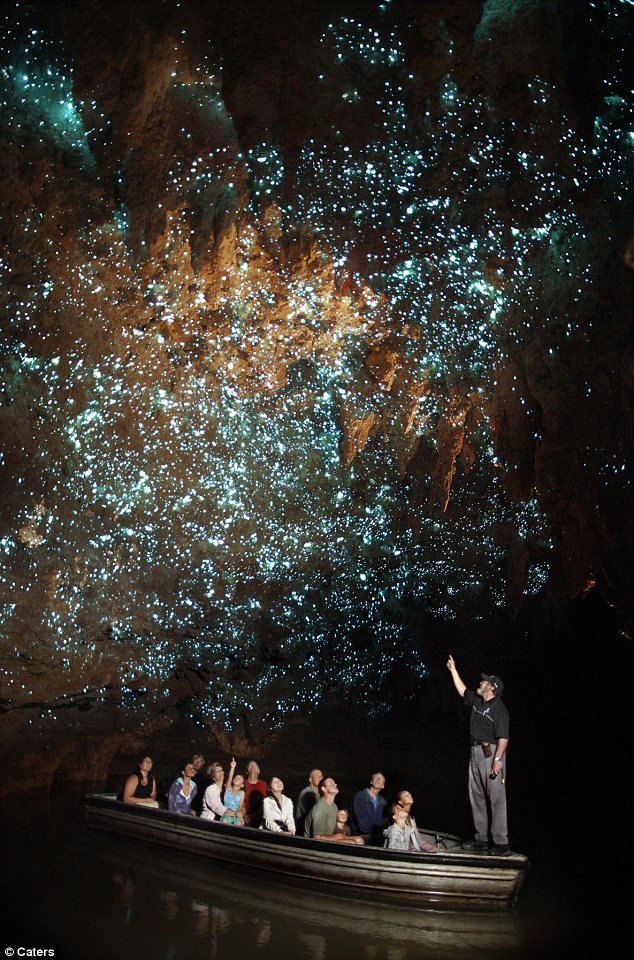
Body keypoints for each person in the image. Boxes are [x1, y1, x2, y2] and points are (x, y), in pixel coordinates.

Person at [447, 654, 510, 856]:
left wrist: (498, 760)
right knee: (477, 797)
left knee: (496, 799)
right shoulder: (477, 701)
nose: (481, 681)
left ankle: (501, 843)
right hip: (475, 752)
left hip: (491, 754)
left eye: (485, 681)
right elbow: (462, 690)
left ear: (491, 688)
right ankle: (481, 840)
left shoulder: (499, 709)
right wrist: (453, 670)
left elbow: (503, 738)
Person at [304, 777, 364, 844]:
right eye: (331, 783)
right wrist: (339, 836)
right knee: (352, 842)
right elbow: (317, 838)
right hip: (313, 843)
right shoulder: (320, 808)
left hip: (327, 838)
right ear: (324, 789)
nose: (335, 785)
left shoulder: (334, 807)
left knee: (360, 840)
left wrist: (341, 835)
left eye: (334, 783)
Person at [351, 772, 388, 844]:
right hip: (359, 835)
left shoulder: (383, 802)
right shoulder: (360, 796)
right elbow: (362, 823)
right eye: (376, 777)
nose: (379, 779)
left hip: (375, 836)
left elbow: (382, 823)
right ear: (371, 781)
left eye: (381, 779)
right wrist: (378, 832)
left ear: (383, 786)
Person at [294, 768, 323, 835]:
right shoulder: (306, 793)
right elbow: (311, 815)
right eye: (317, 776)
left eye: (321, 776)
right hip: (305, 830)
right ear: (310, 780)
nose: (320, 777)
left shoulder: (322, 794)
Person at [220, 758, 245, 825]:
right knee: (225, 821)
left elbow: (240, 807)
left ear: (242, 785)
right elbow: (229, 779)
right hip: (226, 815)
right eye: (236, 777)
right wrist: (232, 767)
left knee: (239, 823)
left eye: (239, 778)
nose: (237, 778)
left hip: (236, 816)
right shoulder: (228, 789)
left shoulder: (241, 793)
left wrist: (238, 815)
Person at [244, 760, 267, 827]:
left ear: (258, 771)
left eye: (255, 766)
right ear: (246, 771)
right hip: (245, 815)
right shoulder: (242, 784)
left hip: (260, 816)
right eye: (250, 765)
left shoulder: (264, 785)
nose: (253, 767)